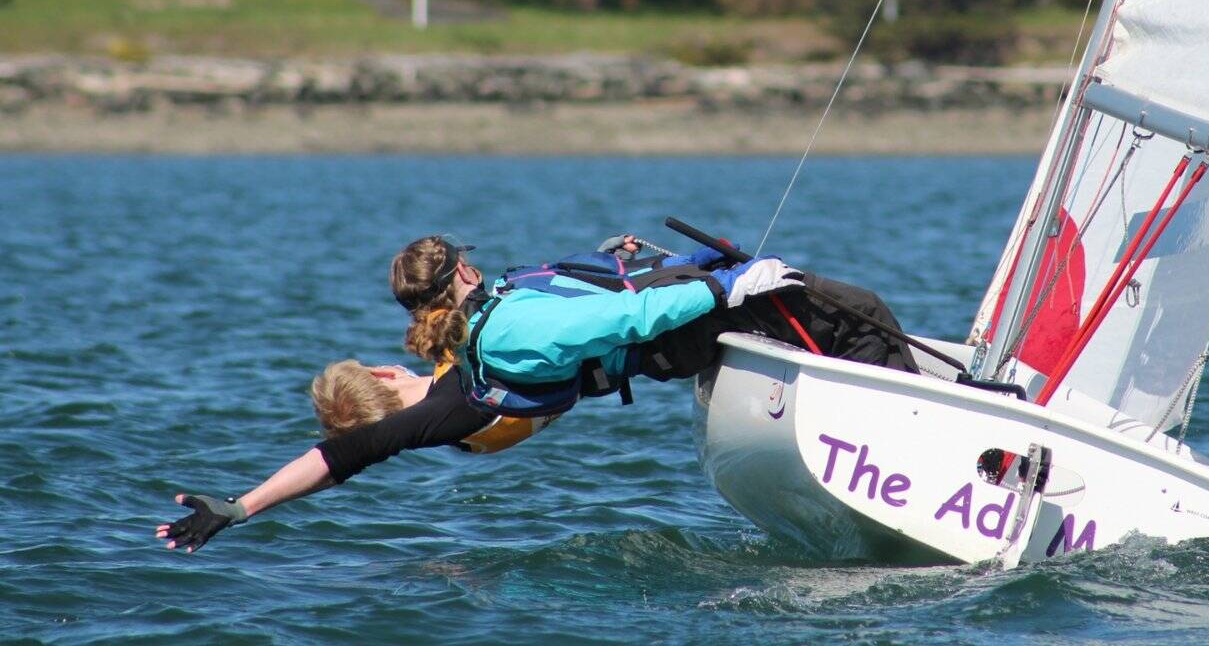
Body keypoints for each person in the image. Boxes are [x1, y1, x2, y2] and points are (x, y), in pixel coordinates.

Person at [157, 234, 916, 553]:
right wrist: (725, 283)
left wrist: (240, 506)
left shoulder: (451, 376)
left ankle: (882, 438)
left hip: (660, 335)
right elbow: (631, 313)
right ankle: (911, 444)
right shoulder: (495, 341)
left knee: (835, 313)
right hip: (673, 329)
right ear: (459, 272)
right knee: (862, 310)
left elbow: (342, 451)